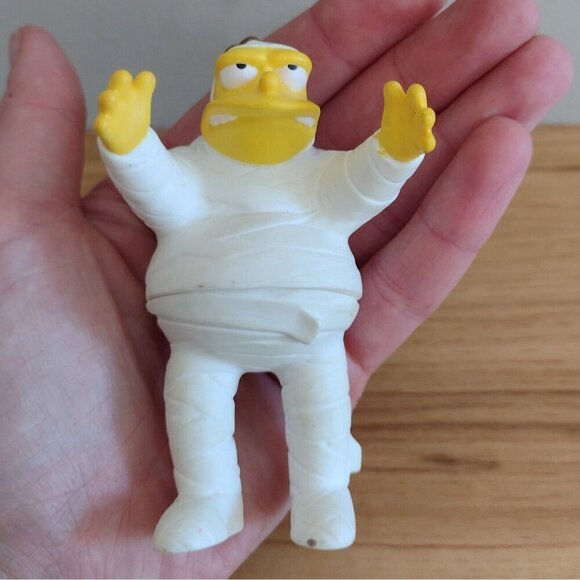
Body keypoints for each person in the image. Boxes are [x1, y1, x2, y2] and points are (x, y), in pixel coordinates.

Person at [0, 0, 571, 577]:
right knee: (195, 412)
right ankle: (208, 500)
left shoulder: (319, 173)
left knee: (320, 410)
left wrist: (394, 150)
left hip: (313, 336)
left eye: (287, 73)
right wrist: (128, 144)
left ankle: (323, 495)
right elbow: (159, 191)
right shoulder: (193, 169)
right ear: (220, 92)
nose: (268, 86)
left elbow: (358, 188)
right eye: (245, 73)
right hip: (201, 337)